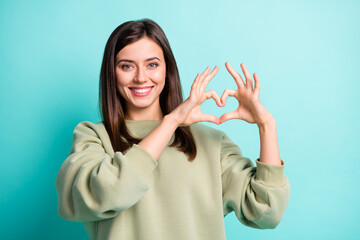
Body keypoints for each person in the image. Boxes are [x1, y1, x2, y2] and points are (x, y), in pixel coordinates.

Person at [56, 18, 290, 240]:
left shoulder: (210, 142)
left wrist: (267, 126)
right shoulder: (93, 137)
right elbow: (108, 193)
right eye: (126, 66)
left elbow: (267, 212)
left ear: (166, 71)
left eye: (152, 65)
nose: (140, 77)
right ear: (111, 73)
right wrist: (171, 121)